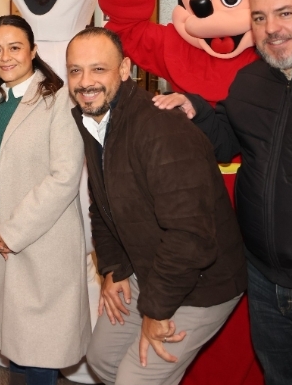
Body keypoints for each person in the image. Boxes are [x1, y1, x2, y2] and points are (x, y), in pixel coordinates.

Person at [155, 0, 292, 384]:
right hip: (263, 281)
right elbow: (227, 140)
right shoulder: (250, 79)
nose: (271, 29)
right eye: (260, 17)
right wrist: (196, 110)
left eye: (285, 13)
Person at [65, 27, 247, 385]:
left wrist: (155, 310)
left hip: (203, 280)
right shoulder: (92, 120)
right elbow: (102, 204)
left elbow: (190, 236)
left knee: (135, 379)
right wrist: (114, 268)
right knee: (102, 360)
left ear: (124, 70)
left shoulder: (160, 127)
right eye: (75, 70)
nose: (85, 82)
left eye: (98, 69)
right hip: (148, 265)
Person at [0, 15, 90, 385]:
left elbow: (64, 177)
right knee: (17, 347)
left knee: (41, 351)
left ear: (33, 51)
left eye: (14, 47)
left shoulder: (59, 100)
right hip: (1, 246)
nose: (5, 57)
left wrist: (11, 232)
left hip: (44, 245)